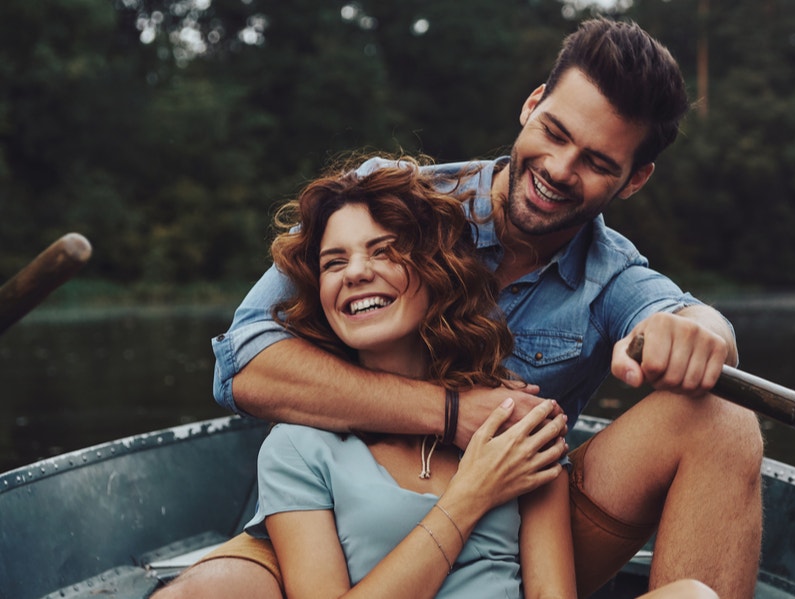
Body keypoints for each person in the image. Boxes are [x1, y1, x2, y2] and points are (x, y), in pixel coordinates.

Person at [160, 17, 762, 599]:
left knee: (722, 419)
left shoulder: (612, 278)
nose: (558, 169)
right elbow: (241, 365)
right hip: (331, 522)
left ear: (633, 180)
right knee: (207, 593)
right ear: (531, 105)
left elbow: (682, 317)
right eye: (554, 132)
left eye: (598, 163)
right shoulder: (393, 206)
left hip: (512, 526)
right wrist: (451, 412)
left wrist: (703, 330)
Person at [240, 159, 714, 599]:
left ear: (435, 271)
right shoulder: (296, 449)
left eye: (384, 251)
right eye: (334, 263)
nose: (357, 272)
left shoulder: (514, 423)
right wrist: (471, 496)